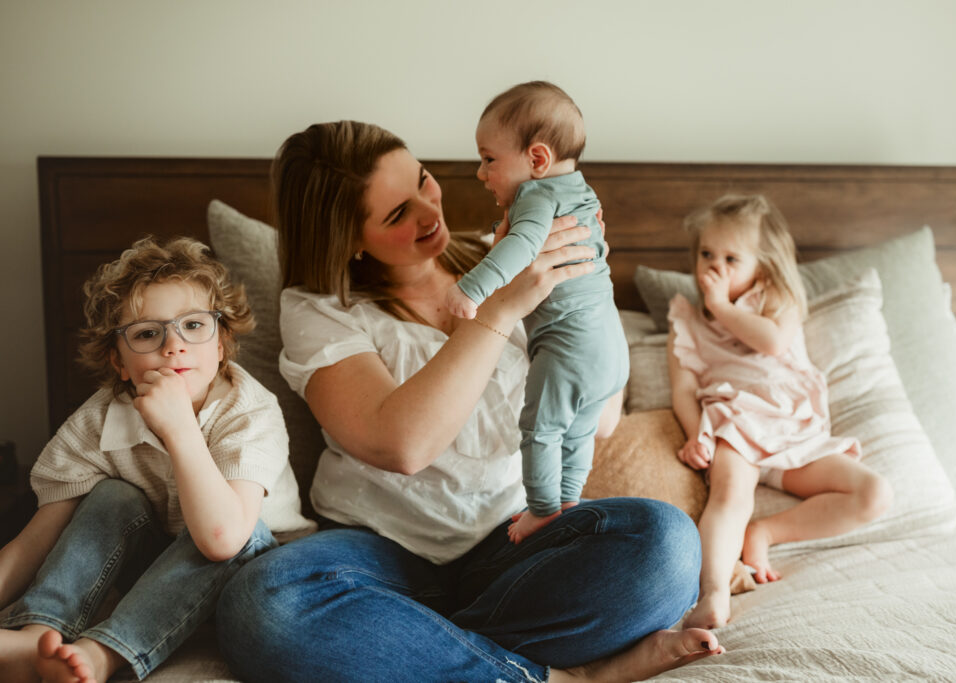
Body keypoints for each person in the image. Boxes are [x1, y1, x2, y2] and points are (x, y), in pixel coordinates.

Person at [215, 120, 724, 683]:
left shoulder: (507, 253)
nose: (429, 212)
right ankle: (550, 675)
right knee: (262, 605)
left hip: (515, 545)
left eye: (422, 181)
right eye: (397, 214)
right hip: (381, 554)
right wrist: (499, 311)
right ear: (347, 239)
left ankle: (419, 648)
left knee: (667, 544)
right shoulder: (319, 308)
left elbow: (600, 420)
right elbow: (404, 447)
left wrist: (589, 291)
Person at [0, 237, 311, 683]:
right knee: (111, 496)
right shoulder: (99, 421)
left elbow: (222, 540)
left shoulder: (250, 412)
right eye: (147, 333)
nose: (173, 345)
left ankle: (102, 653)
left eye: (193, 326)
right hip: (154, 576)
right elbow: (36, 540)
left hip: (250, 575)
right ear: (119, 362)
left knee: (240, 533)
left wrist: (180, 427)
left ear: (221, 344)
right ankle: (37, 636)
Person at [667, 194, 893, 630]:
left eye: (732, 259)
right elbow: (684, 389)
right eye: (706, 254)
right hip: (735, 425)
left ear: (765, 265)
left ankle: (766, 532)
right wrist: (698, 435)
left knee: (874, 493)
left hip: (795, 433)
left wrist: (722, 306)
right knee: (729, 496)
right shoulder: (686, 320)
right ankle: (713, 592)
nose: (714, 267)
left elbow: (771, 342)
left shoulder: (780, 299)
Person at [445, 81, 629, 543]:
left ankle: (544, 509)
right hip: (610, 348)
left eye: (489, 159)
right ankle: (567, 501)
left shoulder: (537, 196)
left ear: (538, 159)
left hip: (569, 347)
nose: (481, 174)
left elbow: (521, 248)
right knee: (577, 434)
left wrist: (471, 289)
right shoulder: (581, 192)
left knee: (540, 430)